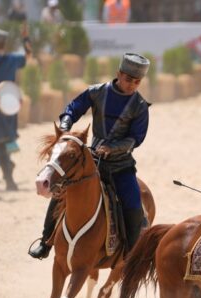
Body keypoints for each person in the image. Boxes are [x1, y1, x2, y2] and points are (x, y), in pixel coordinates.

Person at [28, 53, 151, 260]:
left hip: (121, 165)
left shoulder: (140, 106)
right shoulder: (97, 92)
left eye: (137, 82)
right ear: (118, 74)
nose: (132, 85)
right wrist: (66, 126)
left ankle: (131, 256)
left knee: (133, 204)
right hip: (92, 160)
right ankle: (45, 241)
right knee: (59, 196)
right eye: (128, 79)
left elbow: (135, 139)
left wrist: (112, 149)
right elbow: (73, 109)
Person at [0, 27, 31, 191]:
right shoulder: (13, 59)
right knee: (2, 143)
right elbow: (28, 55)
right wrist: (25, 39)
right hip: (10, 105)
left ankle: (7, 178)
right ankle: (1, 171)